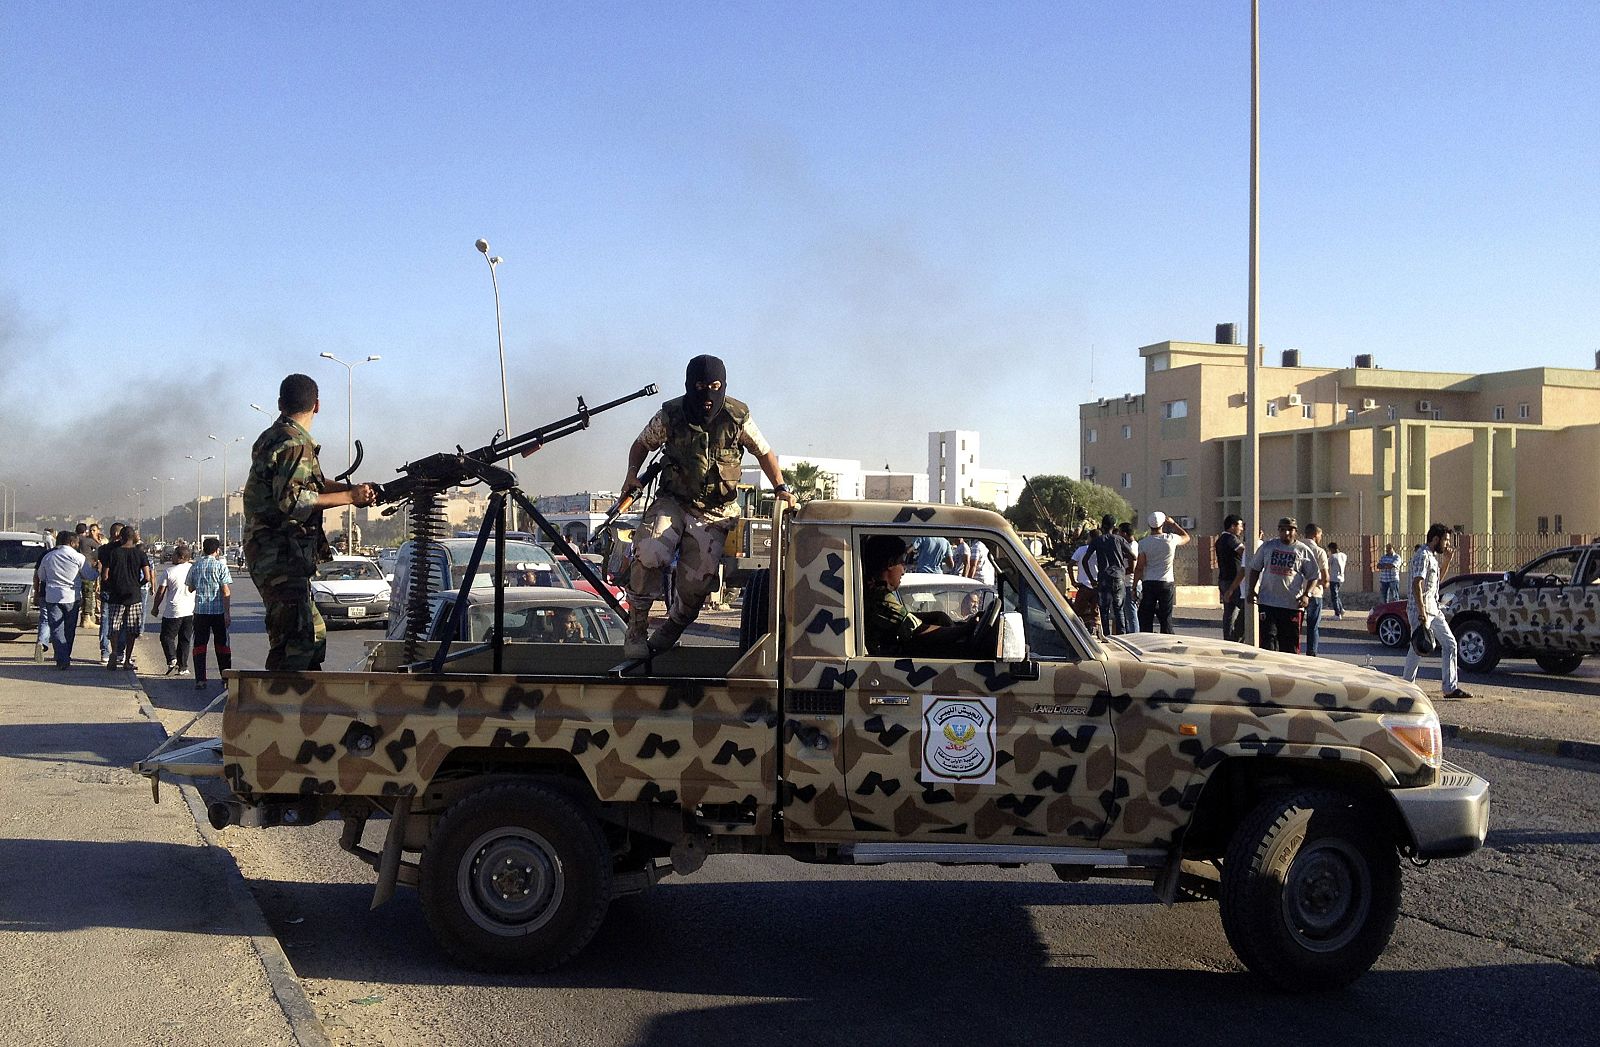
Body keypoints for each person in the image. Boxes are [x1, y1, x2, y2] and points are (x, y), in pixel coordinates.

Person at [618, 355, 796, 658]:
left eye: (715, 387)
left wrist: (780, 488)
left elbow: (764, 453)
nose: (708, 395)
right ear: (690, 386)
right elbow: (640, 444)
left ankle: (673, 628)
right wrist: (631, 475)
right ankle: (636, 628)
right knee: (649, 549)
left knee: (695, 587)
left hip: (714, 513)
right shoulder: (670, 415)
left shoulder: (736, 417)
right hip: (673, 501)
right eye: (701, 387)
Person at [244, 373, 378, 671]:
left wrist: (349, 490)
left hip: (274, 552)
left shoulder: (275, 437)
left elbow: (308, 483)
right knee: (297, 640)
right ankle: (283, 708)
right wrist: (349, 498)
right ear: (317, 405)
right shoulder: (294, 444)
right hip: (279, 553)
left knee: (311, 632)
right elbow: (294, 501)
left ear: (280, 404)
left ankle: (296, 703)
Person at [861, 535, 980, 658]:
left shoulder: (875, 591)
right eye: (901, 563)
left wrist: (936, 616)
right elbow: (918, 630)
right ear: (890, 564)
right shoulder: (881, 598)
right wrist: (966, 629)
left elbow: (905, 618)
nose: (904, 570)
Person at [1402, 524, 1473, 700]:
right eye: (1445, 540)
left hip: (1434, 608)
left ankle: (1450, 688)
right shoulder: (1422, 556)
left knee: (1450, 643)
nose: (1447, 544)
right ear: (1435, 539)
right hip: (1422, 610)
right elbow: (1417, 584)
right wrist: (1421, 612)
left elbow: (1435, 582)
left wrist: (1447, 561)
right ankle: (1406, 687)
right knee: (1417, 647)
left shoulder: (1432, 557)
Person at [1245, 517, 1319, 654]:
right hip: (1268, 602)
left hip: (1291, 605)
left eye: (1290, 530)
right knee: (1268, 641)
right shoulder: (1268, 547)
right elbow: (1255, 568)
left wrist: (1306, 595)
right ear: (1278, 531)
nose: (1286, 533)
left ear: (1295, 531)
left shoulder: (1302, 550)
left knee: (1289, 645)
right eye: (1283, 530)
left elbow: (1314, 576)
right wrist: (1251, 590)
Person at [101, 526, 153, 671]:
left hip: (116, 595)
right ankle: (127, 660)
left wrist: (112, 585)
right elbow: (147, 577)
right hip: (134, 596)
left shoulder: (113, 553)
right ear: (134, 538)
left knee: (114, 627)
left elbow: (105, 575)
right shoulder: (140, 554)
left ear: (121, 537)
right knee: (131, 629)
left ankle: (114, 652)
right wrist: (137, 584)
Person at [33, 531, 87, 670]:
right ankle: (65, 655)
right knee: (69, 629)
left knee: (56, 629)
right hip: (72, 597)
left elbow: (41, 576)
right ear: (72, 542)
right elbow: (89, 575)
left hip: (53, 596)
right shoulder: (78, 557)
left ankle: (62, 657)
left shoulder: (48, 557)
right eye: (77, 543)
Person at [186, 536, 233, 691]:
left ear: (203, 549)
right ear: (217, 550)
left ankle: (200, 679)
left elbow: (190, 588)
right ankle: (226, 677)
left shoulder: (195, 566)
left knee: (199, 645)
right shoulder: (220, 567)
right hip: (218, 611)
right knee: (222, 645)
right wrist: (227, 613)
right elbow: (226, 591)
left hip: (200, 612)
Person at [1134, 511, 1190, 634]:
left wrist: (1134, 587)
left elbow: (1140, 567)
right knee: (1166, 618)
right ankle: (1168, 641)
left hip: (1149, 582)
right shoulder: (1170, 539)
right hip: (1166, 582)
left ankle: (1146, 641)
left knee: (1146, 617)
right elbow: (1186, 537)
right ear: (1163, 524)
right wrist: (1174, 524)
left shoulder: (1143, 543)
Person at [150, 542, 196, 676]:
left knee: (166, 637)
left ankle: (172, 658)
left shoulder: (169, 572)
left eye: (175, 555)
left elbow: (160, 592)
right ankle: (183, 666)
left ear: (180, 557)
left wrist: (155, 608)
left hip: (173, 611)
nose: (172, 557)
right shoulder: (193, 569)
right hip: (190, 610)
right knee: (185, 639)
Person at [1088, 515, 1133, 635]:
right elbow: (1133, 556)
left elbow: (1085, 560)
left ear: (1102, 526)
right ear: (1114, 527)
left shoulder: (1097, 540)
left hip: (1103, 578)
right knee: (1119, 609)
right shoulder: (1119, 540)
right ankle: (1122, 635)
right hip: (1118, 577)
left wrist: (1092, 579)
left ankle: (1106, 635)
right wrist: (1124, 567)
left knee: (1104, 610)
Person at [1301, 524, 1331, 656]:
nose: (1320, 537)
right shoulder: (1319, 551)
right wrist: (1325, 583)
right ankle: (1311, 653)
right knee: (1313, 626)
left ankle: (1292, 650)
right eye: (1320, 535)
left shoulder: (1296, 547)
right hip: (1315, 593)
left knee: (1295, 625)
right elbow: (1325, 578)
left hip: (1297, 592)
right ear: (1315, 535)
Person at [1215, 514, 1246, 642]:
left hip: (1224, 579)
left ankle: (1228, 638)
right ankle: (1235, 638)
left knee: (1229, 611)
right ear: (1232, 526)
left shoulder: (1220, 539)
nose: (1242, 529)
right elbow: (1245, 552)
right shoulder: (1231, 539)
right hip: (1233, 581)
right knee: (1244, 610)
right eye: (1240, 526)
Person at [1069, 538, 1101, 636]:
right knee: (1095, 613)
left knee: (1077, 613)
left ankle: (1075, 634)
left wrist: (1073, 581)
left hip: (1083, 587)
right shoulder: (1101, 550)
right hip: (1097, 586)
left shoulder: (1081, 550)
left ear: (1089, 538)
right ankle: (1097, 633)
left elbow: (1070, 565)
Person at [76, 522, 101, 627]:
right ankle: (86, 619)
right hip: (86, 569)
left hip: (74, 572)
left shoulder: (73, 540)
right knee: (88, 594)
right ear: (85, 531)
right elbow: (100, 548)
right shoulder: (88, 541)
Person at [1326, 540, 1348, 620]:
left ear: (1332, 549)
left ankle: (1337, 614)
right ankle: (1341, 609)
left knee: (1334, 597)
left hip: (1334, 578)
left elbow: (1326, 563)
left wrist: (1327, 556)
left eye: (1330, 550)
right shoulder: (1344, 555)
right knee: (1336, 595)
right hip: (1341, 578)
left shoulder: (1333, 556)